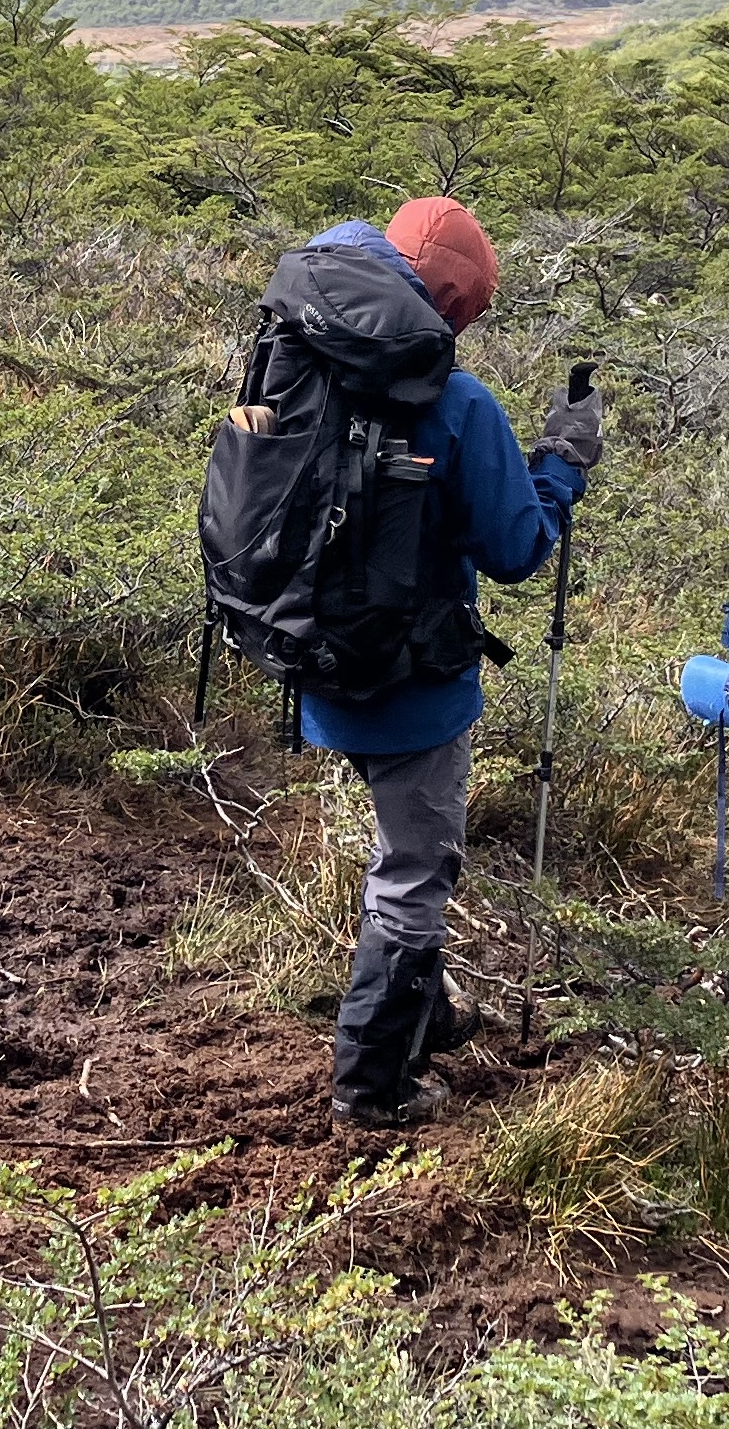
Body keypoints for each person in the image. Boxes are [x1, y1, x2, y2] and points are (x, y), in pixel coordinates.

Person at [295, 198, 603, 1128]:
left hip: (314, 660)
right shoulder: (455, 403)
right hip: (411, 685)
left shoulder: (298, 362)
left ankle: (421, 1014)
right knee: (416, 869)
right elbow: (517, 550)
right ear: (456, 305)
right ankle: (373, 1085)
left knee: (403, 846)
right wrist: (562, 461)